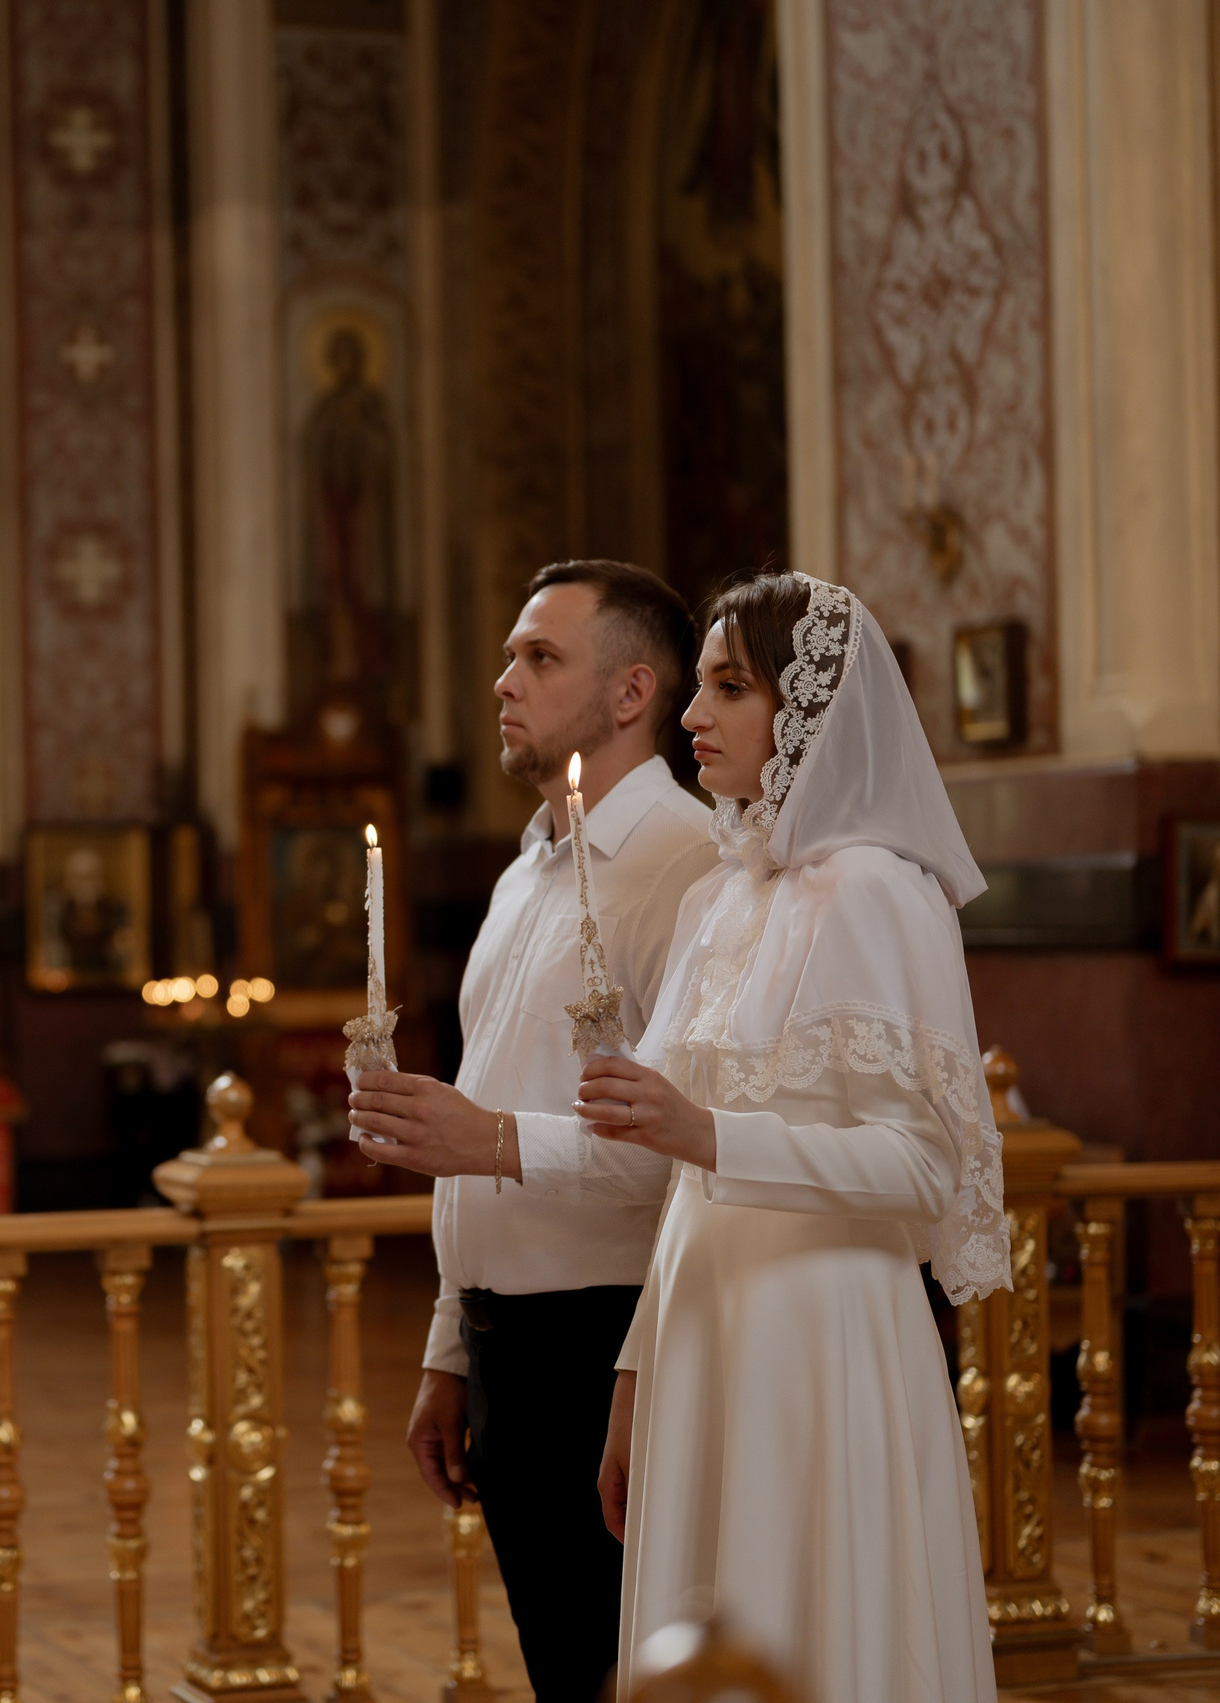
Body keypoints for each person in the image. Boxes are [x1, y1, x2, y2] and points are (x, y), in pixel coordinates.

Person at [352, 569, 1004, 1702]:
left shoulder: (876, 893)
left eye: (728, 688)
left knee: (812, 1632)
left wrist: (708, 1131)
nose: (694, 717)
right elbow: (681, 1188)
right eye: (698, 686)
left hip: (820, 1327)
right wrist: (633, 1377)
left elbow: (923, 1170)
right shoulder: (730, 896)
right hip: (699, 1322)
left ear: (808, 711)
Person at [348, 559, 722, 1702]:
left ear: (629, 693)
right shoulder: (524, 873)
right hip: (508, 1342)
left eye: (539, 656)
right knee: (567, 1668)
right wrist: (450, 1343)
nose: (503, 677)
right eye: (511, 653)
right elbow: (482, 1115)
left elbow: (692, 1154)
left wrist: (494, 1138)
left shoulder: (689, 868)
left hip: (616, 1336)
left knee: (636, 1671)